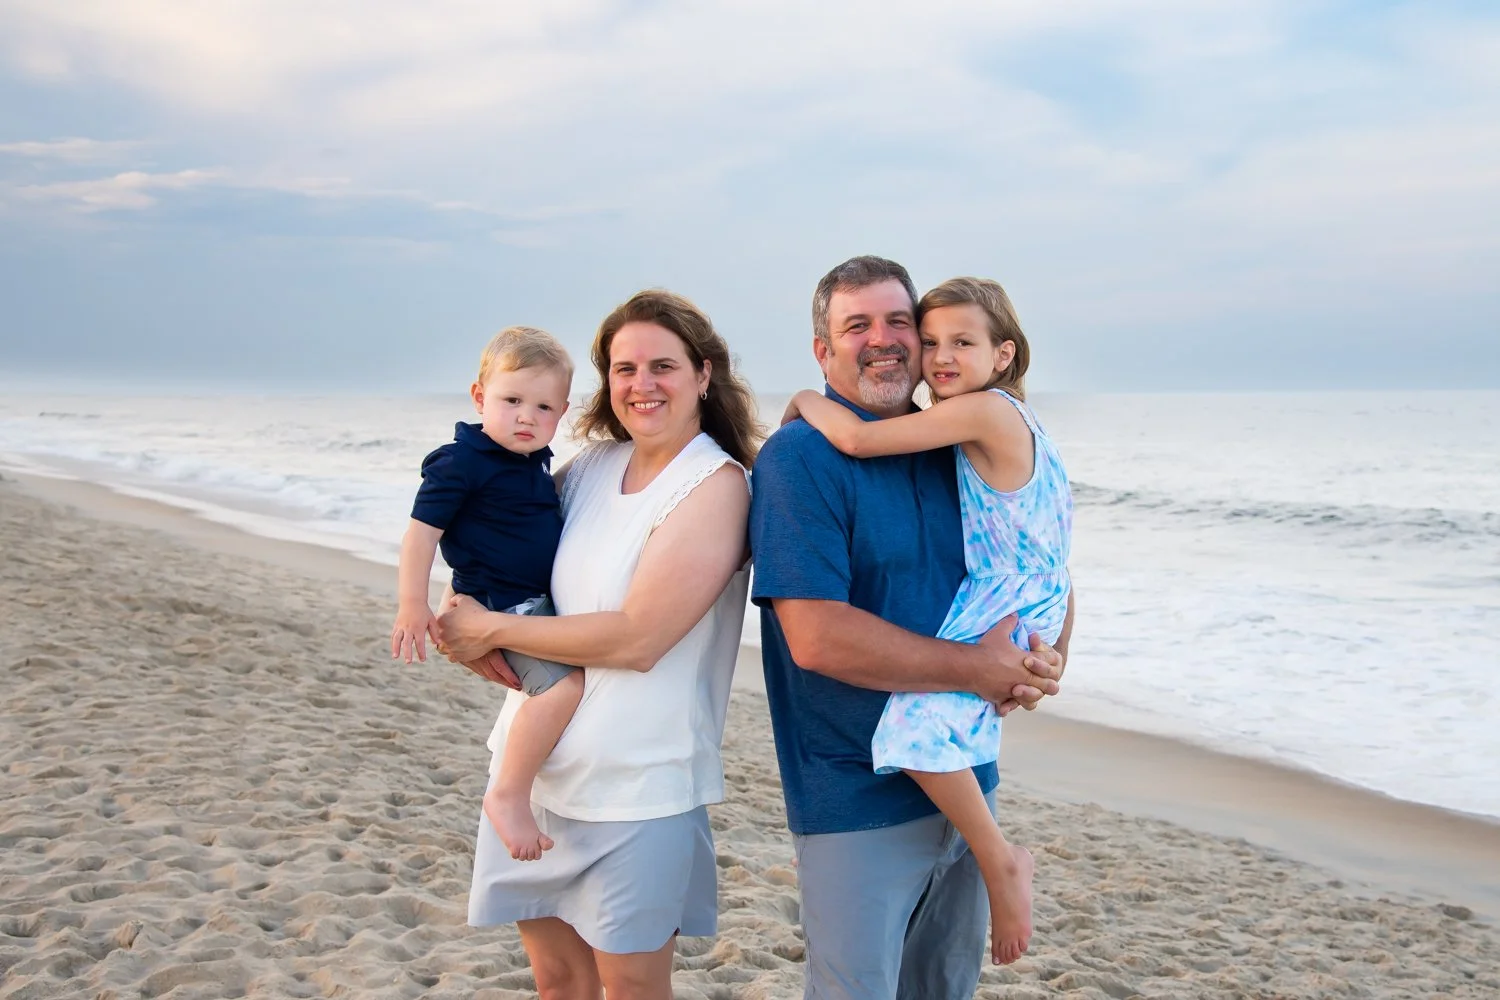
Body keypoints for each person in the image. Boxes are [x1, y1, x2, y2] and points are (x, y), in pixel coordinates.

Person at [749, 256, 1073, 1000]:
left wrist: (1046, 658)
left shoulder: (950, 445)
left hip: (967, 784)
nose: (887, 340)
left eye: (902, 323)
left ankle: (996, 858)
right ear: (823, 349)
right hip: (856, 802)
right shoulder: (801, 458)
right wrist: (981, 669)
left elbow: (1050, 561)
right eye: (856, 325)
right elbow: (817, 638)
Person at [436, 290, 762, 1000]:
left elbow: (639, 638)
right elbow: (503, 553)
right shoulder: (585, 469)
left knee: (632, 991)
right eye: (623, 368)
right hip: (535, 778)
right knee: (558, 985)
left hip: (638, 787)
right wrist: (457, 612)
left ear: (704, 374)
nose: (641, 384)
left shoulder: (717, 486)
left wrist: (491, 629)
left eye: (662, 366)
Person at [390, 325, 581, 862]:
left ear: (562, 413)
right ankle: (507, 793)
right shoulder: (460, 462)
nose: (527, 416)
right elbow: (420, 534)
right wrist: (413, 602)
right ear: (480, 397)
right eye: (512, 400)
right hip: (503, 603)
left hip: (525, 602)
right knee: (561, 689)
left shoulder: (530, 462)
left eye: (543, 407)